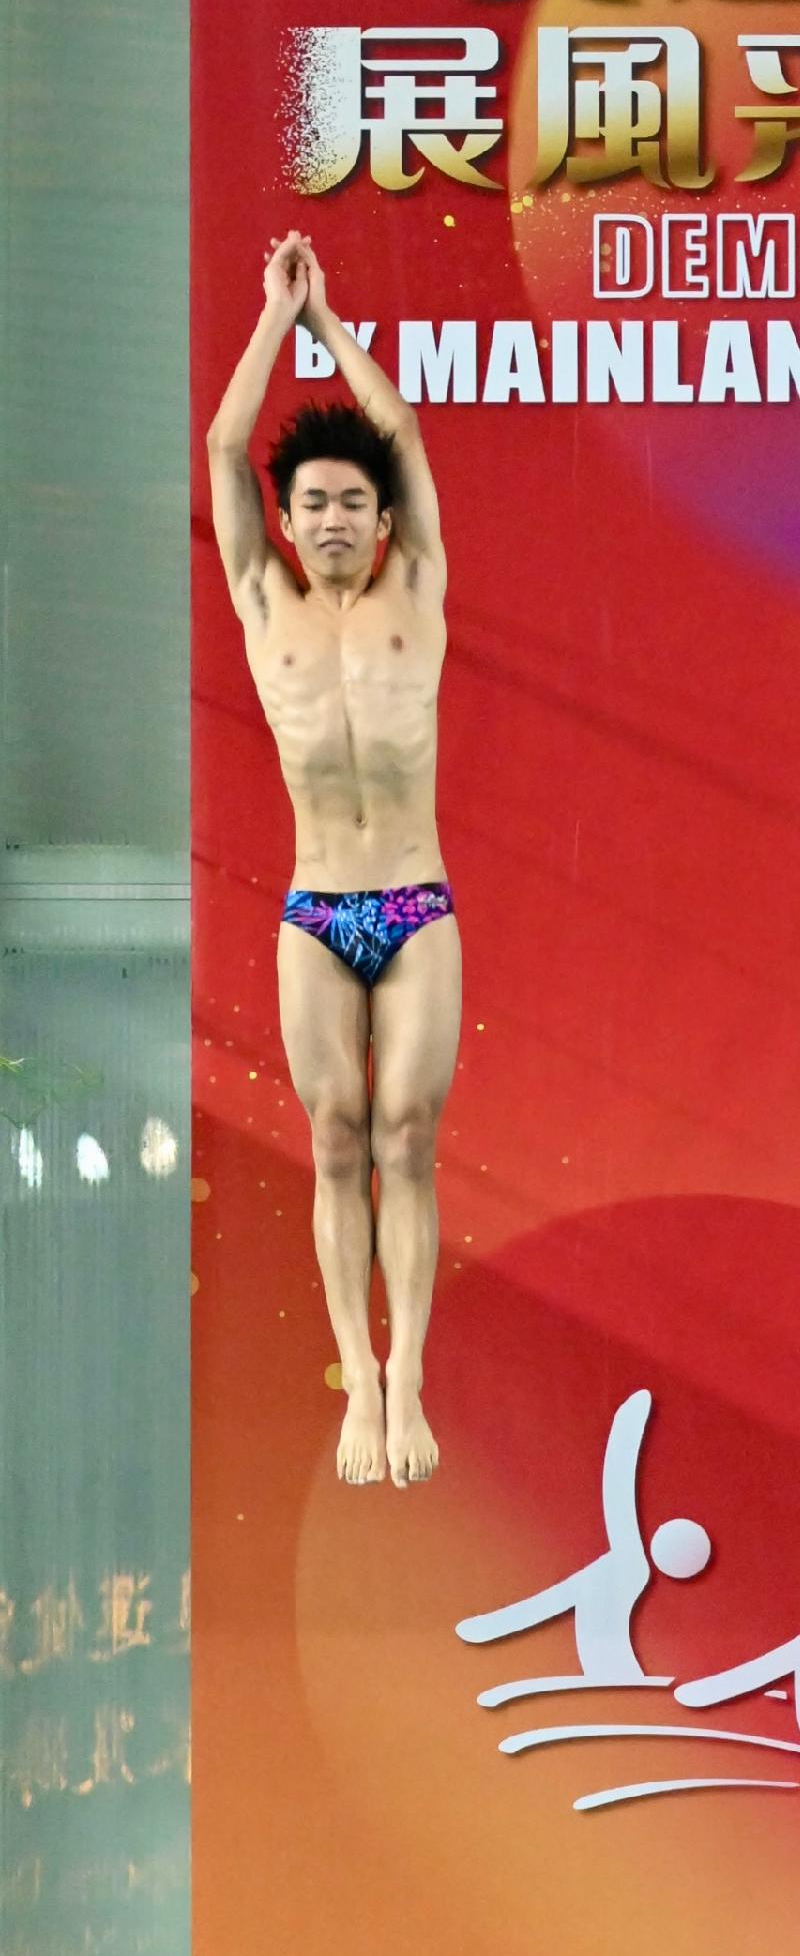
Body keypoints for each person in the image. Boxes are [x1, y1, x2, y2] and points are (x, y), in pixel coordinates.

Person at [207, 234, 457, 1488]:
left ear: (377, 515)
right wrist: (272, 318)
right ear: (290, 518)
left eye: (352, 499)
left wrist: (331, 325)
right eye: (312, 500)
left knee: (408, 1133)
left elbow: (398, 431)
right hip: (317, 908)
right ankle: (354, 1380)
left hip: (413, 901)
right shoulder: (266, 600)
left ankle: (407, 1372)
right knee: (337, 1138)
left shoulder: (420, 582)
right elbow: (218, 453)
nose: (336, 517)